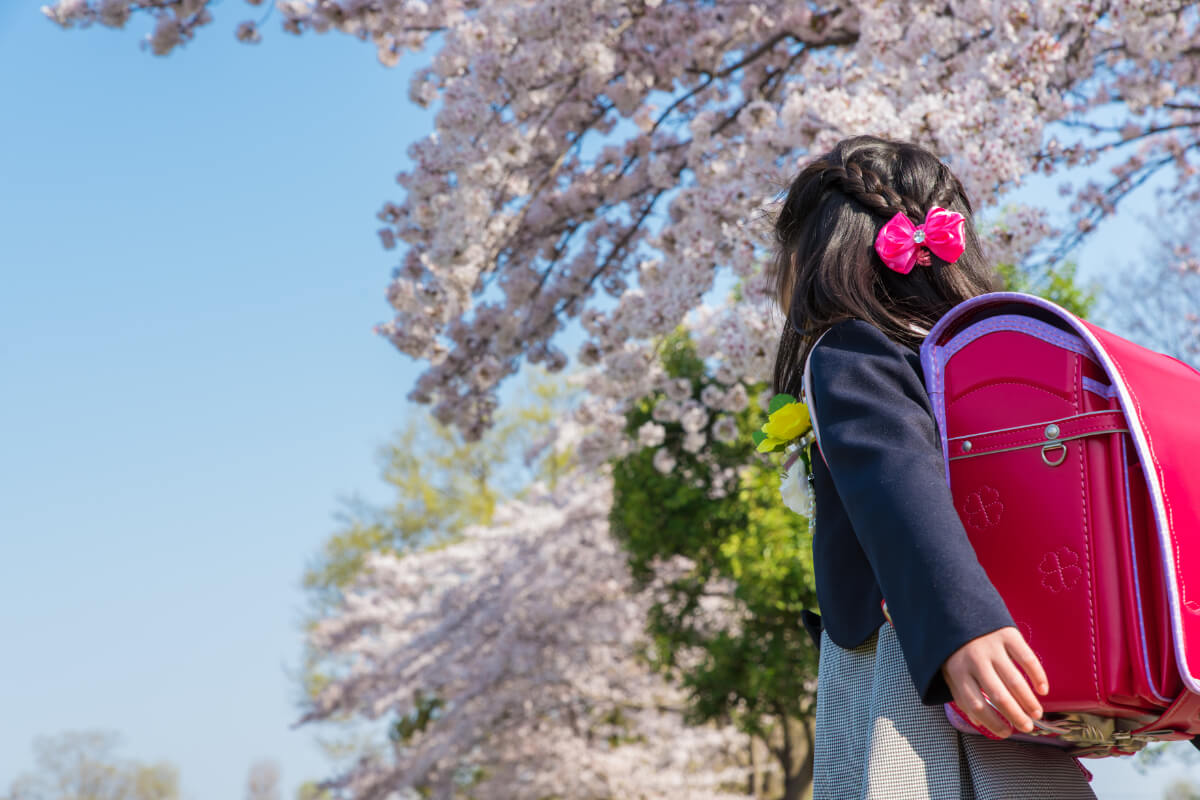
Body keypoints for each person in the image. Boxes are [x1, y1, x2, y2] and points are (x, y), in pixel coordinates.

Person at [768, 134, 1097, 799]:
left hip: (915, 653)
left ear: (812, 257)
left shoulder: (849, 349)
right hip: (1019, 659)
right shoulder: (998, 365)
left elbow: (894, 476)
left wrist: (958, 623)